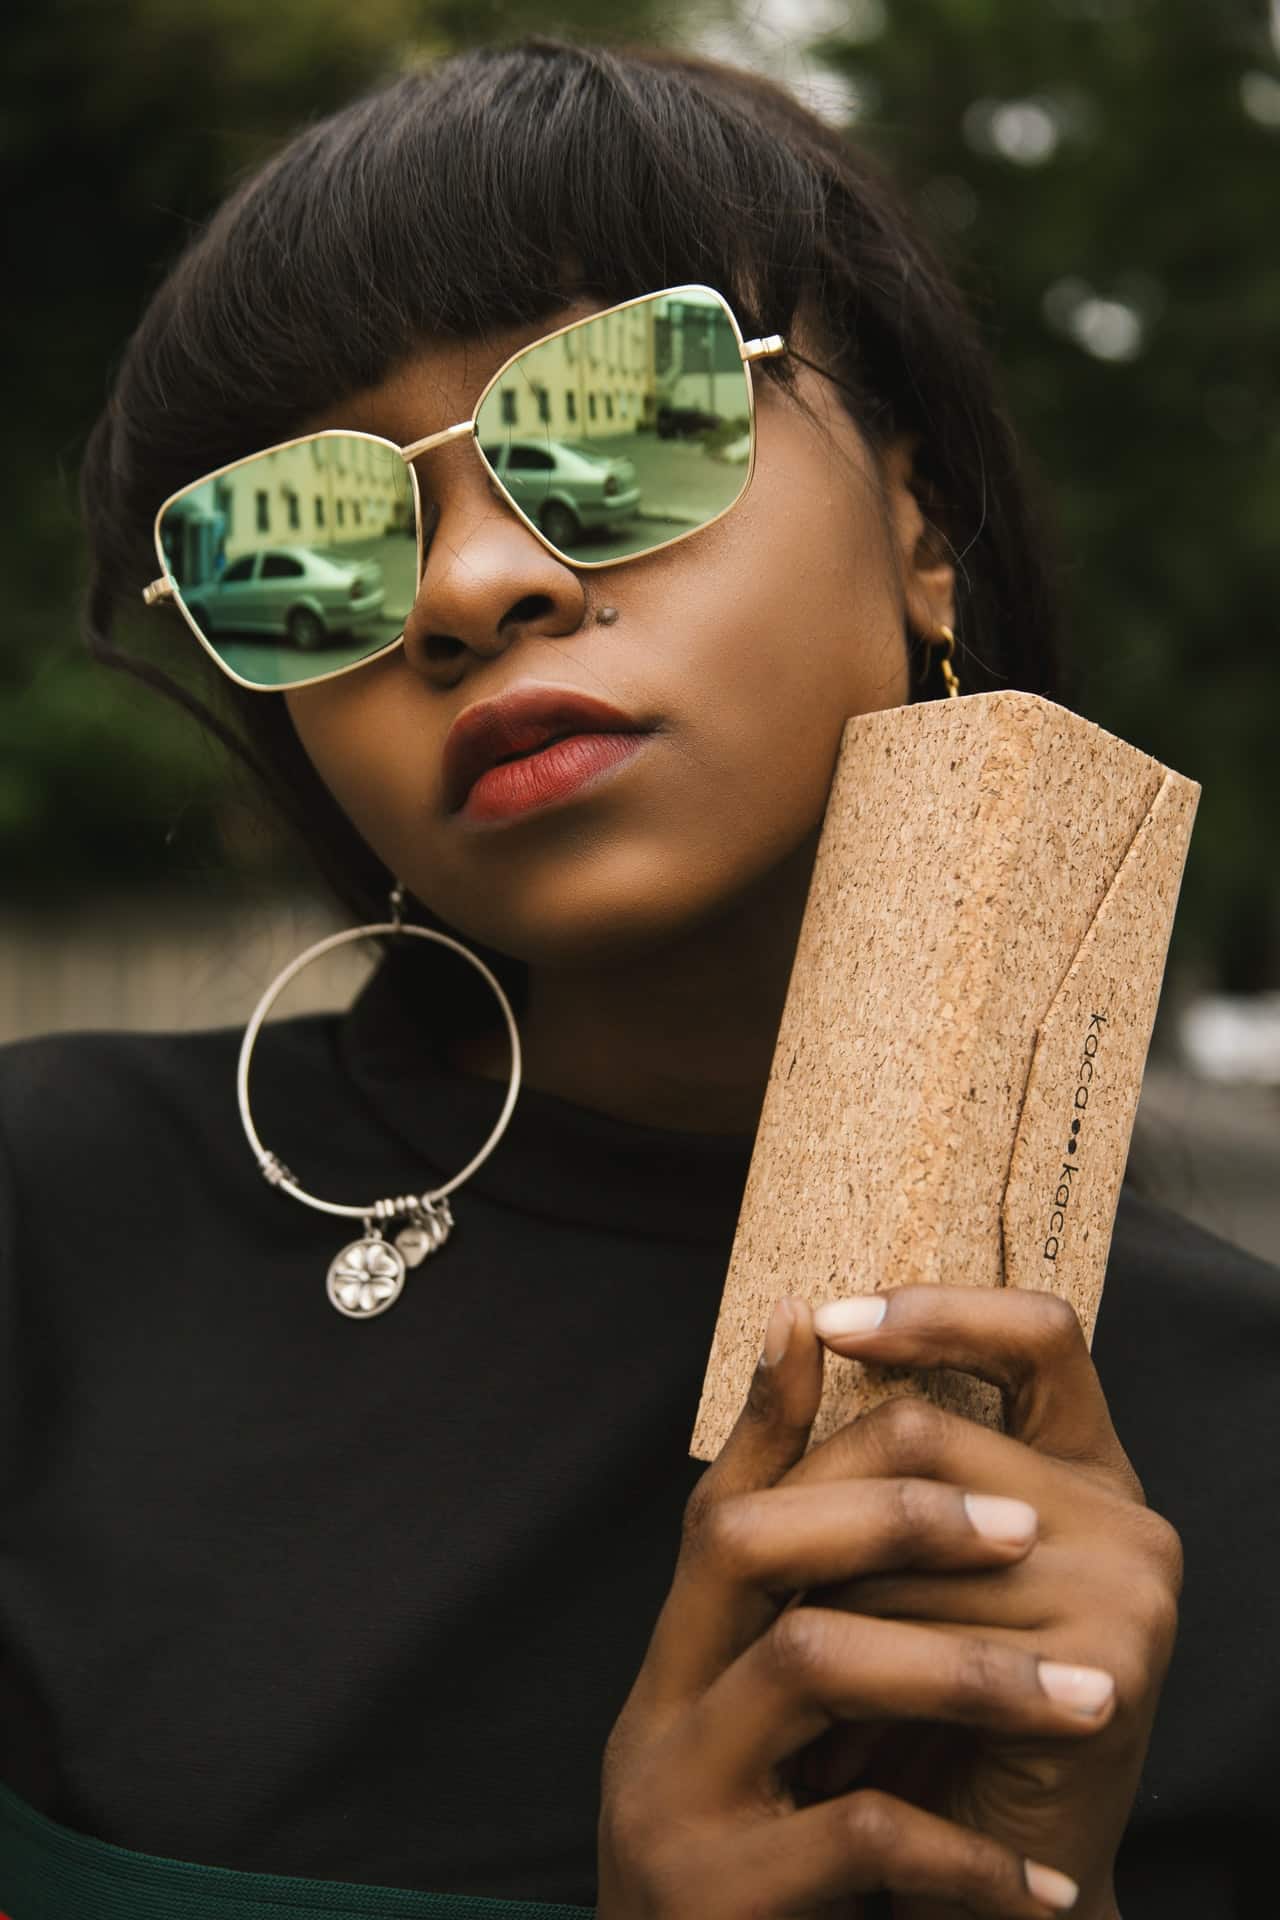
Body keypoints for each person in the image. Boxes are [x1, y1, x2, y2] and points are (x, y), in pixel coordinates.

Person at [0, 37, 1275, 1920]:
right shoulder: (50, 1221)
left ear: (921, 521)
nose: (467, 585)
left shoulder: (1239, 1423)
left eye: (620, 415)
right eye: (310, 542)